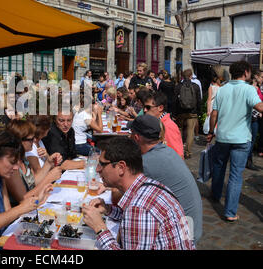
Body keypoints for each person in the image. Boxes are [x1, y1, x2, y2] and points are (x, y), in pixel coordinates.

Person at [82, 136, 195, 250]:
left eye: (102, 164)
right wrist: (108, 209)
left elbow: (138, 215)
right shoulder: (149, 186)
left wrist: (99, 228)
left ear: (121, 167)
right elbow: (135, 221)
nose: (97, 169)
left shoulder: (139, 208)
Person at [128, 115, 203, 243]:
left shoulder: (147, 162)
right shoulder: (167, 151)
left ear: (136, 138)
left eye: (131, 134)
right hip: (192, 226)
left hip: (184, 236)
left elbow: (125, 192)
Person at [207, 60, 263, 222]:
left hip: (223, 136)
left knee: (219, 167)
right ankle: (230, 212)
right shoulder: (249, 89)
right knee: (236, 175)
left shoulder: (223, 90)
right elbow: (260, 107)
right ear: (245, 72)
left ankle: (216, 195)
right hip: (241, 138)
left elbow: (214, 114)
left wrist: (211, 132)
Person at [5, 119, 62, 205]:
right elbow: (23, 199)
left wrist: (49, 163)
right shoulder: (11, 165)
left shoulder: (22, 158)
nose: (34, 140)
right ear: (19, 141)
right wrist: (48, 179)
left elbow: (33, 183)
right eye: (31, 139)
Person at [143, 92, 184, 159]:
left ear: (160, 107)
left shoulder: (168, 126)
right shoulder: (156, 122)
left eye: (148, 107)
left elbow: (178, 155)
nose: (144, 110)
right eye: (144, 107)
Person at [174, 69, 202, 159]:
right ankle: (188, 152)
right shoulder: (196, 86)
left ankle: (179, 150)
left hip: (180, 112)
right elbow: (199, 101)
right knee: (190, 132)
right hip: (192, 113)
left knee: (179, 131)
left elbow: (175, 101)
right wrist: (199, 111)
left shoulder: (178, 86)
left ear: (182, 76)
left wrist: (174, 113)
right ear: (191, 76)